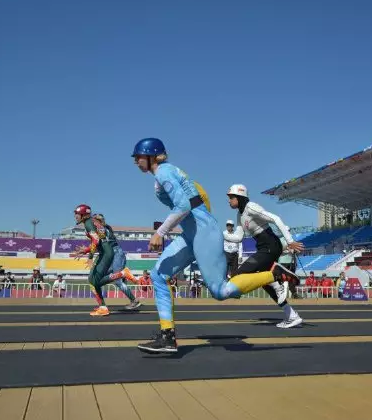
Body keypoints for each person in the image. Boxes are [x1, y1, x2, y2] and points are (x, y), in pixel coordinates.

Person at [131, 137, 297, 353]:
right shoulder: (164, 174)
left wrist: (160, 232)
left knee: (220, 291)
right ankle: (167, 336)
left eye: (138, 156)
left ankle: (275, 275)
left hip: (203, 232)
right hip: (192, 233)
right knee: (158, 275)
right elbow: (199, 194)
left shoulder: (164, 171)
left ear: (151, 155)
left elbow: (183, 205)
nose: (136, 161)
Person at [223, 184, 304, 328]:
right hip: (263, 247)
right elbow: (238, 237)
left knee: (239, 273)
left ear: (240, 197)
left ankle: (277, 274)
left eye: (231, 197)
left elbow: (276, 219)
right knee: (263, 282)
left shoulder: (251, 207)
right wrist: (221, 236)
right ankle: (292, 315)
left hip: (270, 246)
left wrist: (290, 241)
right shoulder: (239, 215)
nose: (228, 201)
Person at [70, 204, 138, 316]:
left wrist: (90, 256)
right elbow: (100, 240)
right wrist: (86, 250)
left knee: (92, 281)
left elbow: (96, 240)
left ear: (83, 214)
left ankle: (121, 274)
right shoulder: (94, 222)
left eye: (77, 214)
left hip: (105, 254)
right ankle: (103, 306)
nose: (75, 216)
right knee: (95, 282)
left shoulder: (88, 223)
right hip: (107, 252)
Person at [92, 213, 141, 310]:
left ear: (98, 221)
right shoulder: (103, 229)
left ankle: (134, 300)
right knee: (97, 281)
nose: (92, 223)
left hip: (116, 254)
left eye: (93, 221)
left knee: (117, 281)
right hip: (111, 256)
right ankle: (102, 306)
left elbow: (100, 242)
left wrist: (90, 251)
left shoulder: (101, 228)